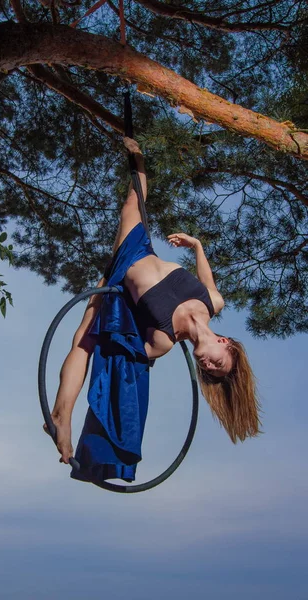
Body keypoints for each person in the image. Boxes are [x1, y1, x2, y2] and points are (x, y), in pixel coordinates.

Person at [44, 137, 261, 465]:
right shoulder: (213, 302)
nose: (208, 366)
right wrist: (198, 246)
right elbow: (208, 280)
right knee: (134, 199)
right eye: (219, 363)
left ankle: (62, 417)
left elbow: (116, 363)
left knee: (86, 342)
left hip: (119, 281)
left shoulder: (164, 341)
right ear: (224, 342)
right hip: (140, 251)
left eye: (209, 372)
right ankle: (137, 153)